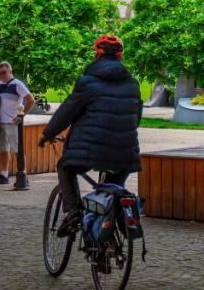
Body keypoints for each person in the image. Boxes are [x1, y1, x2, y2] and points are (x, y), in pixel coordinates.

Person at [38, 34, 141, 235]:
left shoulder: (87, 82)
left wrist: (48, 134)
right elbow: (135, 118)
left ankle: (74, 211)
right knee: (113, 186)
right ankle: (110, 232)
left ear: (97, 55)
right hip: (126, 153)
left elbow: (67, 111)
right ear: (120, 57)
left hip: (90, 150)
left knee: (65, 167)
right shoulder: (133, 84)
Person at [0, 61, 35, 185]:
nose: (2, 76)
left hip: (12, 122)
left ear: (10, 71)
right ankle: (4, 175)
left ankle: (23, 175)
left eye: (4, 73)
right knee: (3, 150)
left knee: (17, 150)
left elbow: (30, 100)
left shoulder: (17, 84)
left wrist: (22, 115)